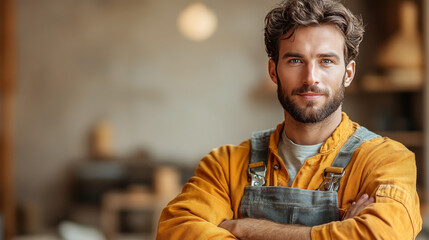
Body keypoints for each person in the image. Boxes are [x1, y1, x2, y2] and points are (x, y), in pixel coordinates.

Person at [156, 0, 422, 239]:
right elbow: (176, 230)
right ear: (274, 71)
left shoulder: (386, 160)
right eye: (295, 60)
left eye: (326, 61)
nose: (311, 78)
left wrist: (245, 229)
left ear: (348, 73)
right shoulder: (224, 166)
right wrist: (339, 231)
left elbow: (382, 235)